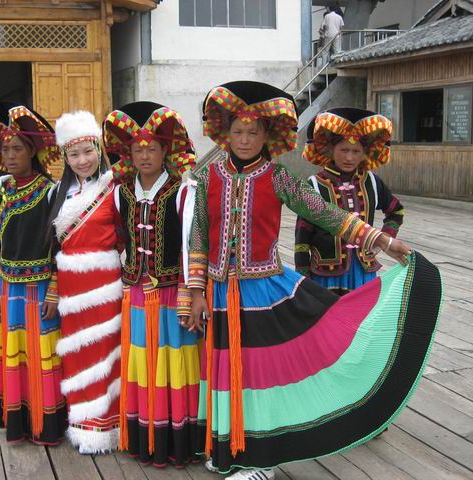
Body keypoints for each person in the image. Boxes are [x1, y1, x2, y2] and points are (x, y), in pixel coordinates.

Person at [186, 81, 442, 479]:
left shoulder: (278, 177)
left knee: (260, 374)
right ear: (225, 133)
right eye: (238, 131)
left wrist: (382, 240)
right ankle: (227, 445)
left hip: (264, 291)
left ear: (268, 136)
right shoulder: (207, 177)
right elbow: (198, 236)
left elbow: (325, 214)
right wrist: (196, 291)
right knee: (224, 369)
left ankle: (261, 459)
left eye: (253, 132)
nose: (245, 139)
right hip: (219, 293)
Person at [103, 101, 200, 467]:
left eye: (152, 149)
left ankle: (177, 439)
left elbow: (192, 247)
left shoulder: (183, 191)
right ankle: (146, 436)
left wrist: (190, 292)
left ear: (165, 152)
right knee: (142, 363)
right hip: (136, 295)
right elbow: (116, 240)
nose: (144, 155)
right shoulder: (120, 193)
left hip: (173, 294)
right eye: (138, 149)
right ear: (128, 154)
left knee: (174, 362)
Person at [0, 102, 67, 445]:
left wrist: (54, 290)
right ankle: (19, 421)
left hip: (41, 291)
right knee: (16, 355)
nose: (10, 156)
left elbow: (60, 247)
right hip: (10, 291)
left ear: (32, 151)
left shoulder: (50, 192)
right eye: (6, 150)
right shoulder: (1, 192)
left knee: (42, 355)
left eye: (18, 149)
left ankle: (46, 422)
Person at [46, 110, 122, 454]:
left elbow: (125, 237)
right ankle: (80, 423)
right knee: (77, 353)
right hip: (70, 286)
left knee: (105, 351)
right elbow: (51, 249)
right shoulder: (57, 194)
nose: (82, 160)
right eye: (74, 154)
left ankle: (107, 425)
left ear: (99, 149)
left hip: (105, 284)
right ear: (65, 157)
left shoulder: (114, 189)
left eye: (88, 151)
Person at [295, 107, 405, 295]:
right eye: (344, 150)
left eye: (356, 151)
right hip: (325, 274)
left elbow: (396, 211)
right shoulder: (314, 185)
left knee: (362, 313)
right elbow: (302, 236)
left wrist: (384, 238)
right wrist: (303, 276)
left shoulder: (371, 182)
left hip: (363, 271)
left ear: (364, 153)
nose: (349, 157)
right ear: (331, 149)